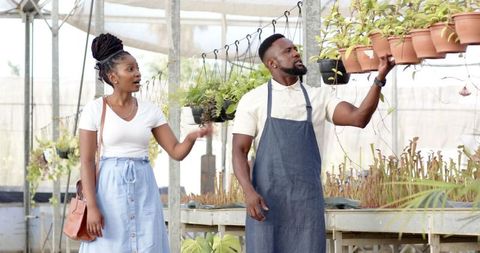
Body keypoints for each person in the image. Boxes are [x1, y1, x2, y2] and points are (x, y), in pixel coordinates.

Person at [232, 33, 395, 253]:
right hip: (266, 206)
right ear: (272, 63)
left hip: (306, 208)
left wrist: (379, 79)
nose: (296, 53)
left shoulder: (319, 97)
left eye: (295, 48)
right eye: (287, 51)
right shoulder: (253, 100)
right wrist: (248, 192)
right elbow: (239, 151)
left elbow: (358, 118)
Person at [78, 33, 211, 253]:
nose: (138, 73)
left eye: (137, 67)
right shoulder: (94, 110)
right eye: (130, 69)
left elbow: (176, 152)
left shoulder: (151, 110)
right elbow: (86, 162)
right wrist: (92, 206)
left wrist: (191, 137)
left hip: (144, 187)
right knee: (110, 245)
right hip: (109, 190)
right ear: (113, 76)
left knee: (146, 243)